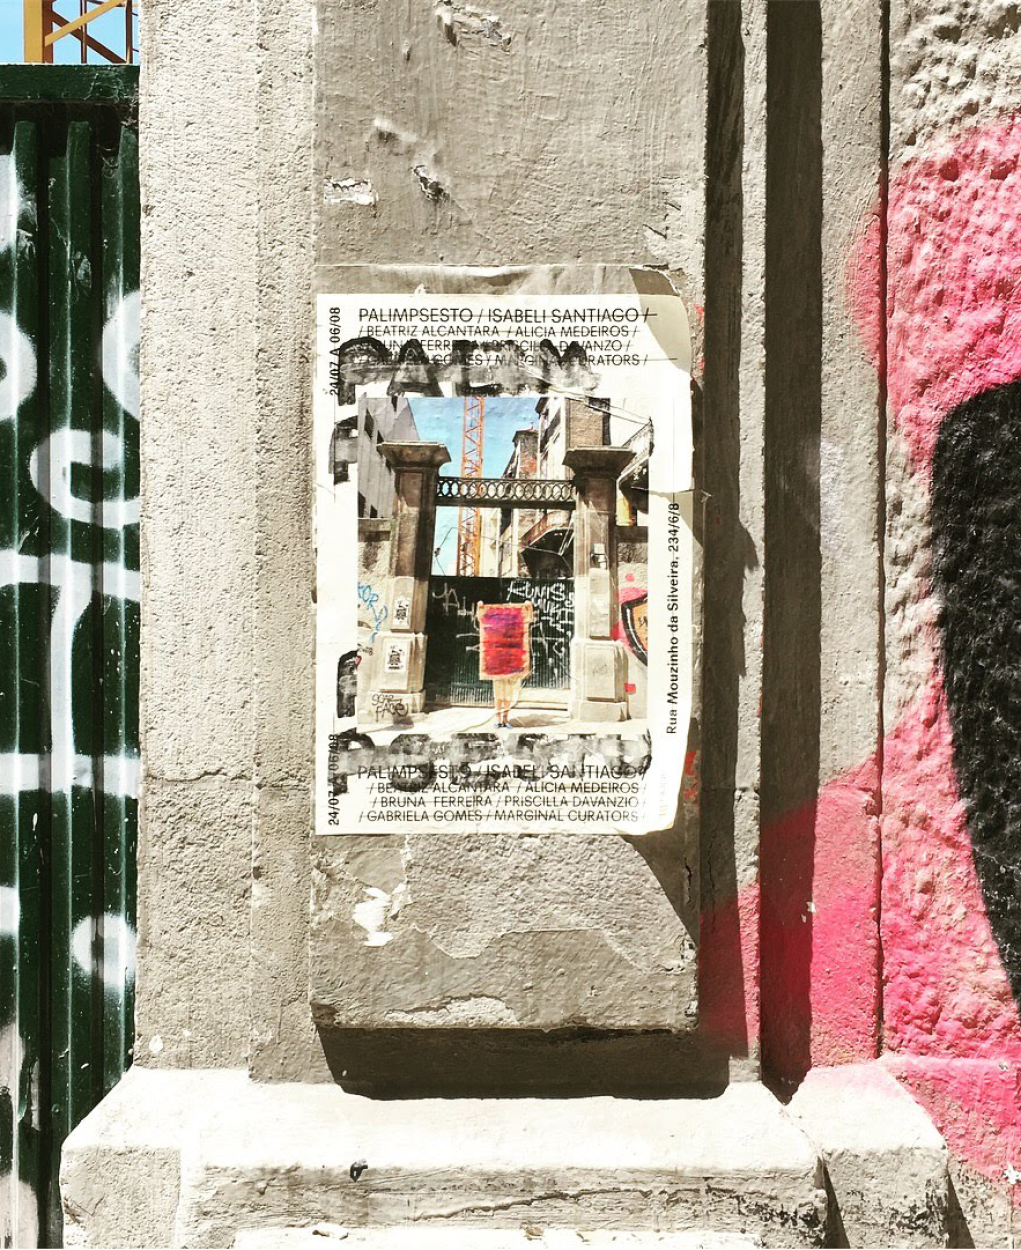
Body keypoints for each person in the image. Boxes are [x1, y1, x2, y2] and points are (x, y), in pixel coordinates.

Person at [476, 600, 534, 728]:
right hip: (497, 663)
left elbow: (528, 619)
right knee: (498, 694)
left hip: (511, 663)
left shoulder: (515, 620)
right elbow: (481, 618)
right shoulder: (494, 619)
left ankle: (505, 719)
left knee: (508, 694)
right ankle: (498, 719)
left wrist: (528, 607)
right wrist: (480, 607)